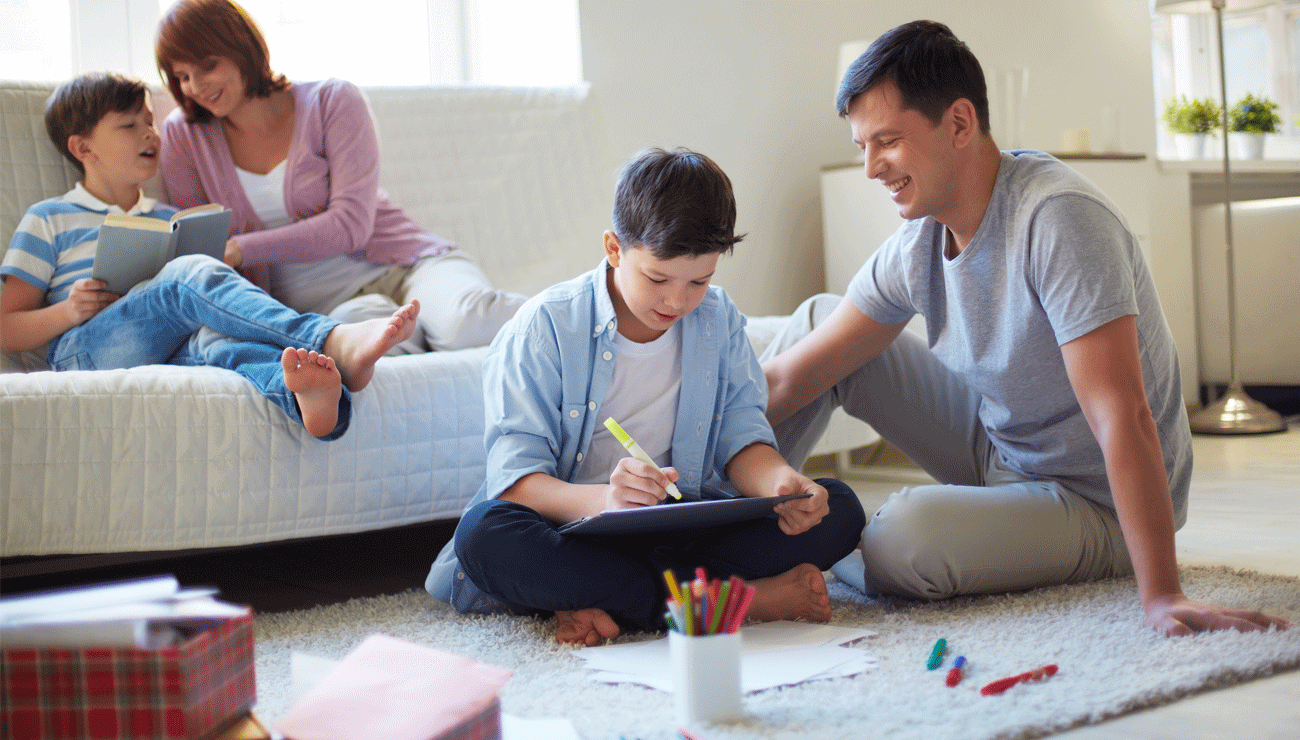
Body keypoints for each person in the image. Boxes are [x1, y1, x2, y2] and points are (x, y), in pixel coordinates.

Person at [760, 20, 1289, 637]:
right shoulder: (917, 242)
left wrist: (1163, 596)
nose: (872, 167)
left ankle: (809, 553)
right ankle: (720, 536)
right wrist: (682, 482)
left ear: (959, 123)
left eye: (888, 141)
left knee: (902, 538)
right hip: (999, 448)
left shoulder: (1060, 219)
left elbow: (1123, 412)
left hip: (1098, 505)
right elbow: (791, 375)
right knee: (817, 323)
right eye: (862, 146)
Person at [426, 147, 866, 645]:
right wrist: (609, 501)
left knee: (841, 508)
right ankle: (740, 601)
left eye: (699, 280)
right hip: (573, 535)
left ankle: (610, 601)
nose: (677, 301)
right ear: (614, 249)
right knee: (484, 535)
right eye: (657, 278)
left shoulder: (717, 319)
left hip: (680, 534)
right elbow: (515, 484)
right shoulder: (544, 327)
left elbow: (743, 442)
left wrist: (782, 484)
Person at [0, 71, 419, 441]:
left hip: (169, 345)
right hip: (85, 350)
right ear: (83, 148)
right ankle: (329, 338)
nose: (151, 133)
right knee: (186, 275)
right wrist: (69, 311)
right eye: (130, 125)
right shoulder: (49, 219)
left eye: (150, 121)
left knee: (215, 343)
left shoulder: (172, 219)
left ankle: (308, 396)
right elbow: (6, 328)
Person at [154, 0, 526, 354]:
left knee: (467, 323)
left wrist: (243, 248)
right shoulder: (183, 136)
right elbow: (201, 245)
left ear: (241, 49)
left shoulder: (332, 101)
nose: (196, 87)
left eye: (207, 66)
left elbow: (351, 225)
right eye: (182, 76)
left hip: (406, 266)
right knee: (367, 350)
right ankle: (427, 333)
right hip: (330, 308)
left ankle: (579, 312)